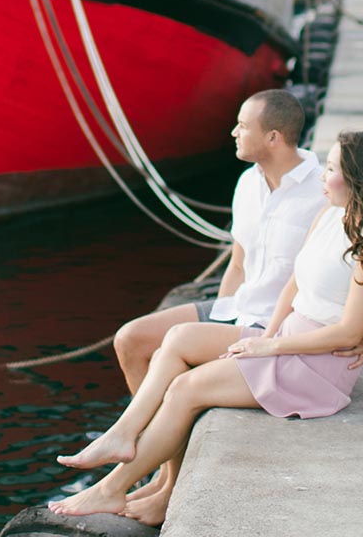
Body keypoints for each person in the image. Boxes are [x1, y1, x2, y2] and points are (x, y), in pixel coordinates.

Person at [49, 130, 363, 527]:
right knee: (178, 338)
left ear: (360, 180)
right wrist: (267, 336)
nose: (323, 174)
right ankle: (124, 432)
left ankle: (113, 487)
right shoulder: (329, 215)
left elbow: (349, 334)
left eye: (333, 168)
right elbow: (293, 284)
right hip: (288, 338)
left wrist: (271, 350)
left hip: (318, 363)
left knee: (186, 389)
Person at [113, 88, 324, 508]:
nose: (233, 133)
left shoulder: (320, 192)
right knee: (131, 339)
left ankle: (167, 485)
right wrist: (216, 320)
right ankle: (163, 467)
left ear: (273, 138)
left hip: (272, 324)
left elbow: (317, 281)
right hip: (237, 306)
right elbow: (238, 264)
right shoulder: (248, 182)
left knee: (173, 356)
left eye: (243, 126)